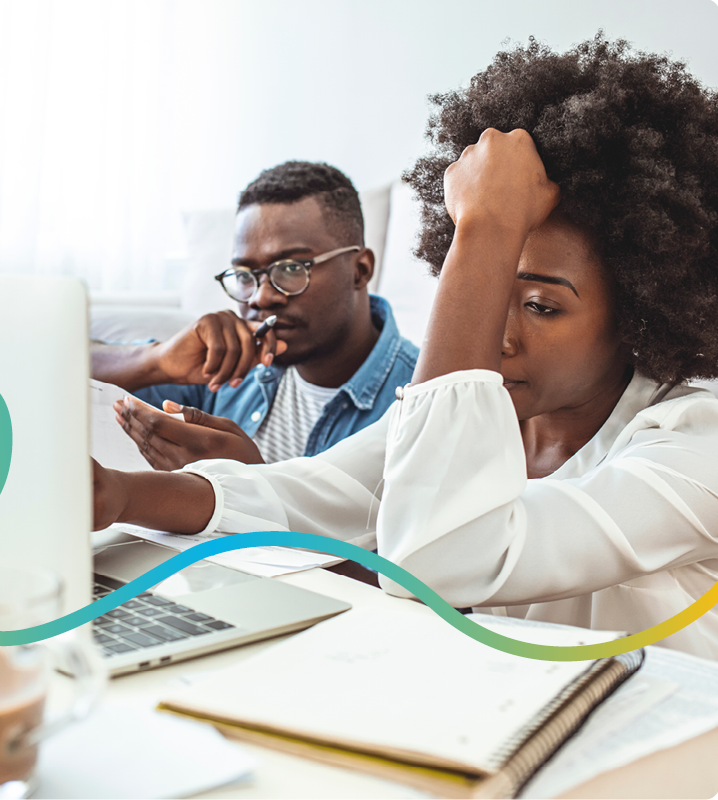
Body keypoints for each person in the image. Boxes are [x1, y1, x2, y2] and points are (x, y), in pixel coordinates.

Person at [93, 34, 718, 659]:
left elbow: (440, 558)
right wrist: (116, 494)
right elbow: (300, 493)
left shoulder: (694, 449)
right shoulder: (497, 417)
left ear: (639, 313)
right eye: (480, 289)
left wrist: (487, 226)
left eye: (540, 305)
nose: (492, 339)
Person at [92, 161, 418, 469]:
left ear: (360, 270)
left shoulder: (419, 399)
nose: (261, 297)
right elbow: (61, 373)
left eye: (291, 268)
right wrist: (157, 360)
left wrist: (248, 485)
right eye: (245, 274)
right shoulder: (232, 367)